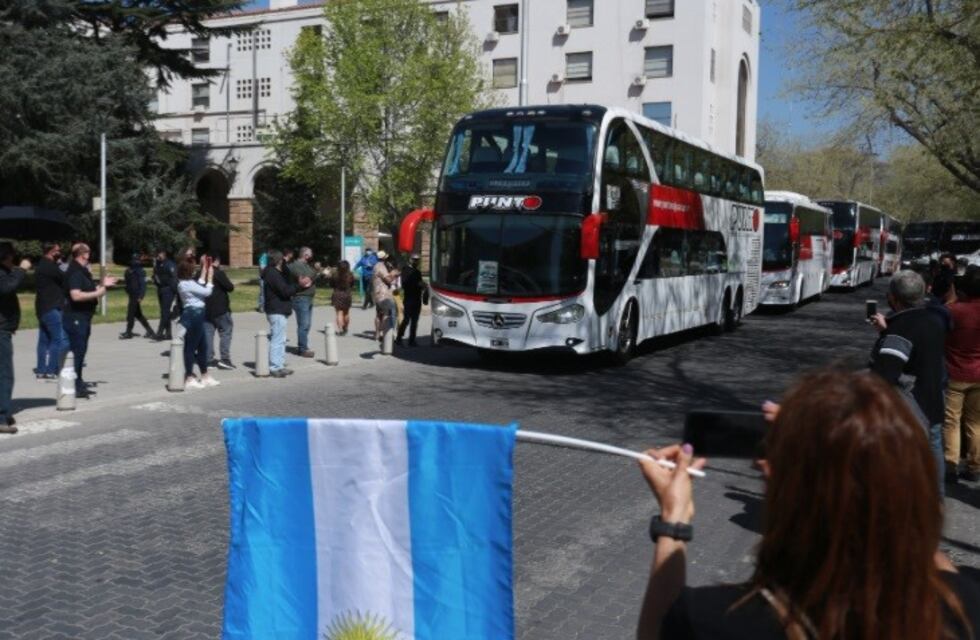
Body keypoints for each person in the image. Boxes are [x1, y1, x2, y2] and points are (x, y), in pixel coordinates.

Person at [636, 370, 980, 640]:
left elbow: (656, 632)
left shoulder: (717, 621)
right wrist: (837, 441)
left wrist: (673, 520)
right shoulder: (963, 604)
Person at [869, 270, 948, 492]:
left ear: (893, 298)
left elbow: (885, 375)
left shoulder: (900, 330)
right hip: (934, 401)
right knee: (934, 452)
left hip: (909, 411)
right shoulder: (934, 320)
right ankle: (936, 503)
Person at [63, 243, 116, 399]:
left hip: (83, 316)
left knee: (80, 351)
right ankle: (75, 385)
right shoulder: (75, 272)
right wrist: (99, 291)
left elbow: (88, 290)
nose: (90, 255)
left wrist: (102, 284)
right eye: (88, 252)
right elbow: (76, 295)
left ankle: (77, 381)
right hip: (76, 317)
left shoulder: (82, 270)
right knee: (78, 351)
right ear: (83, 254)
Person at [944, 266, 980, 484]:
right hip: (979, 375)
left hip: (955, 373)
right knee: (976, 422)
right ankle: (975, 466)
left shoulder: (954, 311)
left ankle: (950, 465)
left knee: (951, 421)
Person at [262, 250, 312, 378]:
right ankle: (274, 367)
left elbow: (287, 285)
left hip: (280, 309)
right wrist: (299, 286)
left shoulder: (277, 273)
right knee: (277, 340)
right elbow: (284, 291)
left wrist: (296, 284)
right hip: (276, 309)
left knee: (281, 339)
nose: (285, 262)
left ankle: (280, 365)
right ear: (279, 261)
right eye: (282, 260)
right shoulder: (272, 274)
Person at [177, 257, 217, 389]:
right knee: (190, 347)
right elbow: (207, 291)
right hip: (193, 315)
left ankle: (205, 375)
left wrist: (204, 271)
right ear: (188, 271)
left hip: (198, 314)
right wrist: (210, 278)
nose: (194, 270)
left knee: (203, 347)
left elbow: (198, 284)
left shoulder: (187, 283)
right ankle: (189, 376)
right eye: (193, 268)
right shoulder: (186, 284)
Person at [0, 243, 26, 433]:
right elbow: (7, 288)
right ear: (6, 257)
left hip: (4, 328)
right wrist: (22, 270)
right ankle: (1, 417)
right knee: (5, 374)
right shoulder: (2, 275)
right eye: (13, 257)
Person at [34, 242, 68, 380]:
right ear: (52, 251)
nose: (59, 252)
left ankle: (41, 370)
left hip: (42, 307)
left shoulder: (41, 265)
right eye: (58, 250)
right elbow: (65, 278)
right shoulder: (50, 266)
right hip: (51, 307)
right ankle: (52, 370)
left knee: (43, 340)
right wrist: (60, 263)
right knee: (57, 340)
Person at [204, 256, 236, 370]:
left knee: (208, 334)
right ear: (216, 261)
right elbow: (230, 287)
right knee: (226, 332)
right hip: (220, 308)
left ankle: (208, 359)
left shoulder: (201, 273)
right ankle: (225, 359)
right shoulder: (218, 273)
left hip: (206, 308)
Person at [288, 246, 317, 358]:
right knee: (303, 325)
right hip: (301, 298)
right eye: (310, 253)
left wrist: (314, 274)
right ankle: (302, 349)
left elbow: (310, 278)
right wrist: (315, 273)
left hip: (308, 298)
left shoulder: (306, 265)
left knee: (307, 324)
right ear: (305, 254)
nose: (311, 255)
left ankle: (303, 345)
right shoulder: (296, 266)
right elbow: (304, 281)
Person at [120, 253, 156, 340]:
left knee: (131, 314)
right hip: (131, 294)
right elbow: (127, 282)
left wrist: (141, 296)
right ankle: (150, 331)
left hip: (136, 295)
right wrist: (127, 289)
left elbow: (143, 285)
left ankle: (128, 332)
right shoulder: (128, 270)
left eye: (136, 259)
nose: (135, 261)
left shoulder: (140, 271)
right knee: (138, 314)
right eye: (133, 259)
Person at [396, 253, 427, 347]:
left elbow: (420, 283)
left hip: (417, 298)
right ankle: (399, 338)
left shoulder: (417, 271)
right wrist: (418, 284)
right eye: (414, 259)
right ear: (410, 260)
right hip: (409, 298)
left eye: (417, 260)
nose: (416, 261)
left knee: (415, 321)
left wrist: (423, 285)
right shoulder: (405, 270)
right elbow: (404, 284)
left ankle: (412, 340)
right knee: (406, 319)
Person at [371, 250, 400, 344]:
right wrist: (394, 274)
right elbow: (388, 280)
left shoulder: (376, 265)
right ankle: (384, 334)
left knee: (378, 314)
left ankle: (377, 334)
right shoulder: (381, 267)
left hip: (377, 293)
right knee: (387, 313)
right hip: (383, 295)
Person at [152, 250, 177, 341]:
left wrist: (174, 291)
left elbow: (174, 278)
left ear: (164, 254)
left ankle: (159, 333)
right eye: (157, 254)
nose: (158, 256)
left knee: (165, 312)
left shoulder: (169, 264)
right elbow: (155, 275)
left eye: (160, 254)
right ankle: (168, 333)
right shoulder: (158, 264)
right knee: (164, 311)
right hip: (161, 289)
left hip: (168, 290)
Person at [330, 260, 355, 336]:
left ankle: (340, 330)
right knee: (346, 313)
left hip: (337, 294)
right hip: (347, 294)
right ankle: (345, 328)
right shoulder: (350, 275)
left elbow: (331, 284)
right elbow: (352, 284)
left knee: (339, 313)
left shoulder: (335, 275)